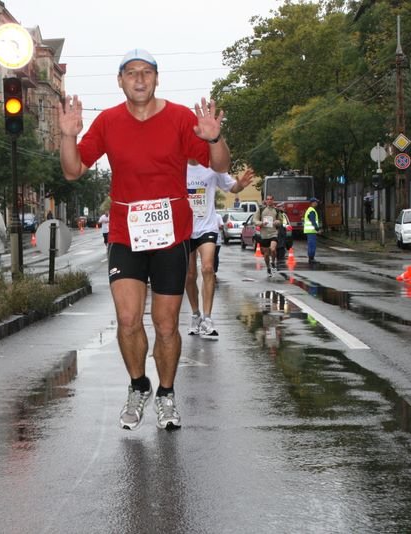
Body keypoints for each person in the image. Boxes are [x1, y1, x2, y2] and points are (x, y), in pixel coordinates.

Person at [59, 48, 230, 431]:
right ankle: (139, 386)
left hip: (170, 236)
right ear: (120, 80)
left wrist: (215, 137)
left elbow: (220, 166)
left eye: (147, 72)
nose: (139, 79)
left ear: (157, 78)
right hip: (125, 233)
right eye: (131, 72)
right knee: (127, 318)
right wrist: (67, 136)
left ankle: (166, 394)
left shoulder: (181, 118)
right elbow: (73, 171)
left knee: (166, 324)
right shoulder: (108, 121)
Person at [186, 163, 253, 339]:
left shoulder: (213, 168)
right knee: (189, 275)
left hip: (207, 227)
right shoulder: (177, 165)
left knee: (208, 268)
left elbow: (232, 187)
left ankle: (207, 318)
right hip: (184, 228)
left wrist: (241, 185)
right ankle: (195, 315)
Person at [257, 194, 285, 277]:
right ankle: (268, 267)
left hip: (273, 233)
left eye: (270, 199)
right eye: (267, 199)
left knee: (272, 249)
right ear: (266, 201)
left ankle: (273, 262)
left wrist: (278, 222)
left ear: (273, 201)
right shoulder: (261, 210)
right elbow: (254, 220)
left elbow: (281, 220)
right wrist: (261, 223)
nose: (269, 200)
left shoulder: (276, 210)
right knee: (266, 254)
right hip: (264, 234)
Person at [304, 197, 322, 264]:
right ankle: (311, 259)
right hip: (311, 231)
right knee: (312, 245)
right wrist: (317, 229)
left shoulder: (310, 210)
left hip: (310, 231)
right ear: (312, 203)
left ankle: (311, 258)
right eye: (316, 202)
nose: (317, 203)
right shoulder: (311, 211)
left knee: (311, 245)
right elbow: (313, 221)